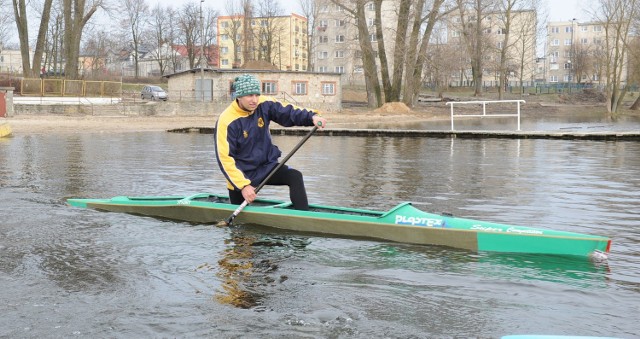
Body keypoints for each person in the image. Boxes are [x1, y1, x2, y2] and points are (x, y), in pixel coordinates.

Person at [214, 74, 327, 210]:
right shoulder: (226, 121)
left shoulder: (264, 104)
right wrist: (243, 185)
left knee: (295, 176)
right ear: (238, 96)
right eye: (249, 95)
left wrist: (312, 117)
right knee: (242, 229)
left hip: (266, 166)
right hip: (242, 173)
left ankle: (305, 217)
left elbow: (288, 111)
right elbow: (225, 159)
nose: (254, 100)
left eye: (256, 95)